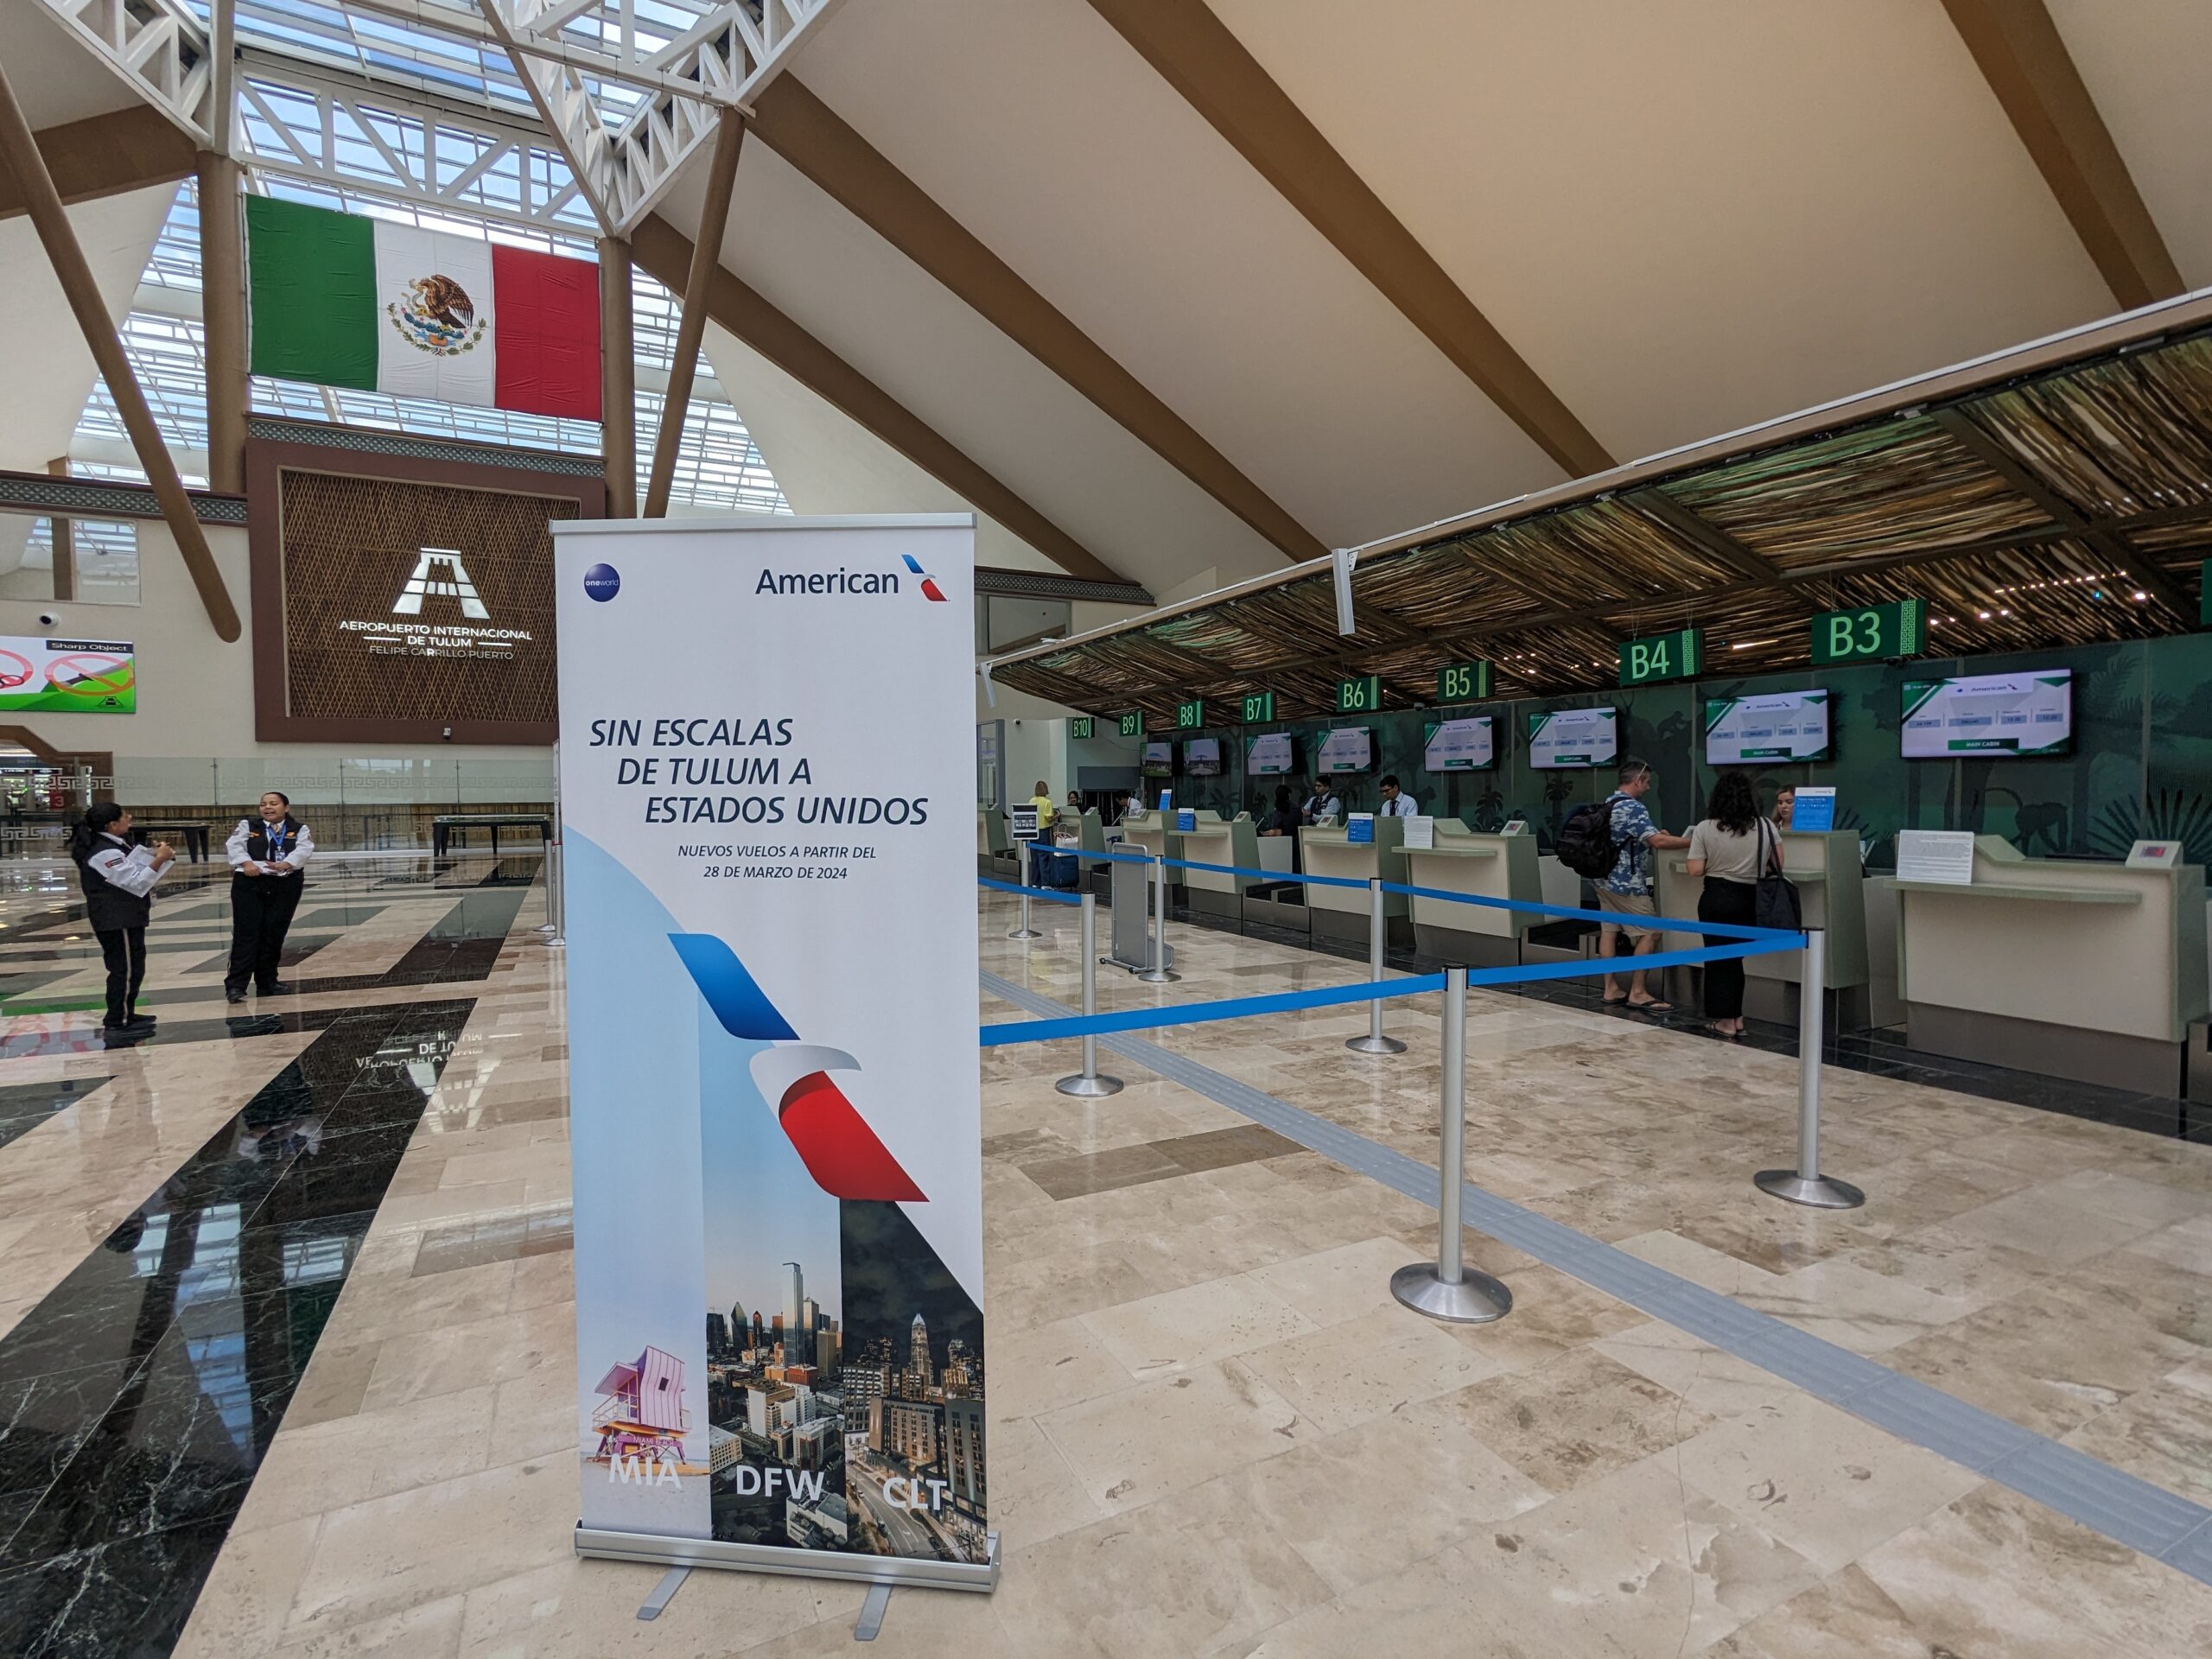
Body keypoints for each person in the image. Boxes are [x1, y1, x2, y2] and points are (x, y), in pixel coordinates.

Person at [1595, 758, 1692, 1012]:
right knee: (1652, 931)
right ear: (1637, 780)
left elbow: (1637, 836)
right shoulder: (1633, 808)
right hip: (1626, 884)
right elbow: (1657, 842)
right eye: (1647, 782)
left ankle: (1610, 988)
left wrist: (1655, 835)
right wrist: (1692, 842)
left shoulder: (1608, 803)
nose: (1648, 787)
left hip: (1602, 879)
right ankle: (1637, 992)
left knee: (1609, 931)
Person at [72, 803, 175, 1033]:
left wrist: (155, 856)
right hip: (115, 919)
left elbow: (131, 871)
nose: (129, 818)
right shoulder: (104, 851)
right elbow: (134, 881)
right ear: (112, 825)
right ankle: (117, 1019)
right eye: (124, 816)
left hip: (127, 916)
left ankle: (127, 1011)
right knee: (124, 969)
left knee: (135, 967)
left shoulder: (115, 845)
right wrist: (159, 859)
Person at [1688, 770, 1767, 1037]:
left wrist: (1719, 861)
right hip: (1751, 899)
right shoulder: (1766, 826)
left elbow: (1695, 869)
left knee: (1719, 960)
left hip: (1718, 896)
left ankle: (1725, 1021)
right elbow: (1777, 863)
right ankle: (1737, 1017)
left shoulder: (1705, 828)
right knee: (1735, 959)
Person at [225, 791, 315, 1004]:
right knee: (246, 934)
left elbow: (304, 849)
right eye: (263, 804)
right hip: (250, 883)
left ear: (286, 807)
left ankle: (268, 981)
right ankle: (236, 986)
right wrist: (247, 864)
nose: (268, 807)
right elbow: (234, 846)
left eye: (273, 803)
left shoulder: (298, 829)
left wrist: (286, 864)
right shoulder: (248, 825)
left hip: (285, 883)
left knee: (274, 932)